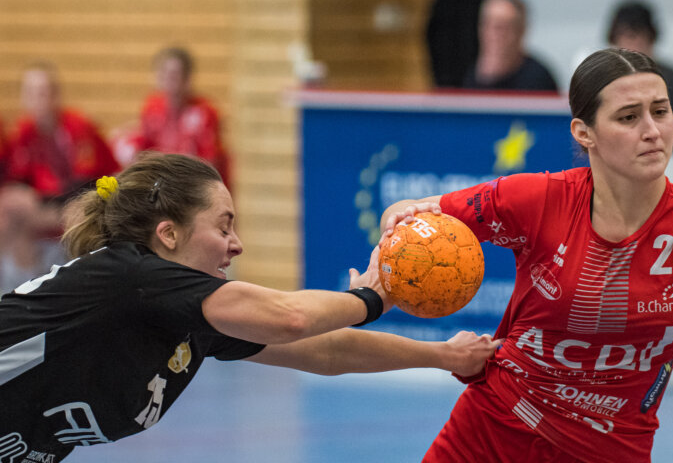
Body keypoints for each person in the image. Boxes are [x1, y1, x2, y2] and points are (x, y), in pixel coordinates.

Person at [381, 49, 673, 462]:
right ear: (584, 133)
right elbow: (406, 213)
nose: (652, 130)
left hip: (610, 452)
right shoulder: (538, 199)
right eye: (629, 117)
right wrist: (384, 262)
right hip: (491, 431)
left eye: (660, 111)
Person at [0, 152, 501, 462]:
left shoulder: (181, 315)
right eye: (223, 226)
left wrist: (443, 356)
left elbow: (327, 351)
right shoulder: (131, 276)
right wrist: (372, 296)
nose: (236, 244)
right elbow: (290, 317)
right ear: (168, 235)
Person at [0, 61, 119, 293]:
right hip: (53, 206)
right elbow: (17, 179)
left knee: (74, 211)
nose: (39, 99)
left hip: (93, 200)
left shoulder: (77, 127)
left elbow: (84, 184)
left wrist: (40, 206)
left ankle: (70, 286)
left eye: (44, 92)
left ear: (56, 94)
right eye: (31, 93)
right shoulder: (25, 132)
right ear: (24, 98)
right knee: (8, 209)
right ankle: (20, 289)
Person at [112, 47, 230, 186]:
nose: (168, 79)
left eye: (174, 74)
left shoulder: (204, 112)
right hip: (164, 183)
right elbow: (144, 147)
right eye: (163, 73)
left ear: (187, 78)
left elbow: (210, 164)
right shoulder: (152, 107)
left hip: (194, 185)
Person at [607, 0, 673, 148]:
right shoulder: (604, 85)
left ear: (651, 39)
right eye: (626, 38)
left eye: (638, 37)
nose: (633, 46)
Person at [460, 0, 558, 92]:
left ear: (521, 31)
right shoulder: (469, 74)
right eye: (487, 24)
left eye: (503, 27)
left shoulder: (538, 79)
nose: (493, 34)